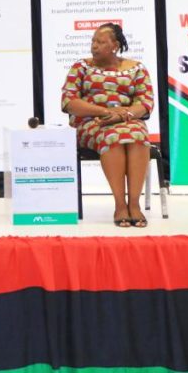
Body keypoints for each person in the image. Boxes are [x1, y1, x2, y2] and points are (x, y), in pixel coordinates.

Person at [62, 23, 154, 227]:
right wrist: (105, 112)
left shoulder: (136, 68)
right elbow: (69, 102)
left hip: (127, 120)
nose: (94, 46)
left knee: (138, 134)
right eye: (93, 41)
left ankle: (135, 204)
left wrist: (124, 115)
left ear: (115, 45)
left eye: (100, 42)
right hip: (91, 122)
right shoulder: (81, 67)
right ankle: (120, 205)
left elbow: (146, 103)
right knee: (113, 135)